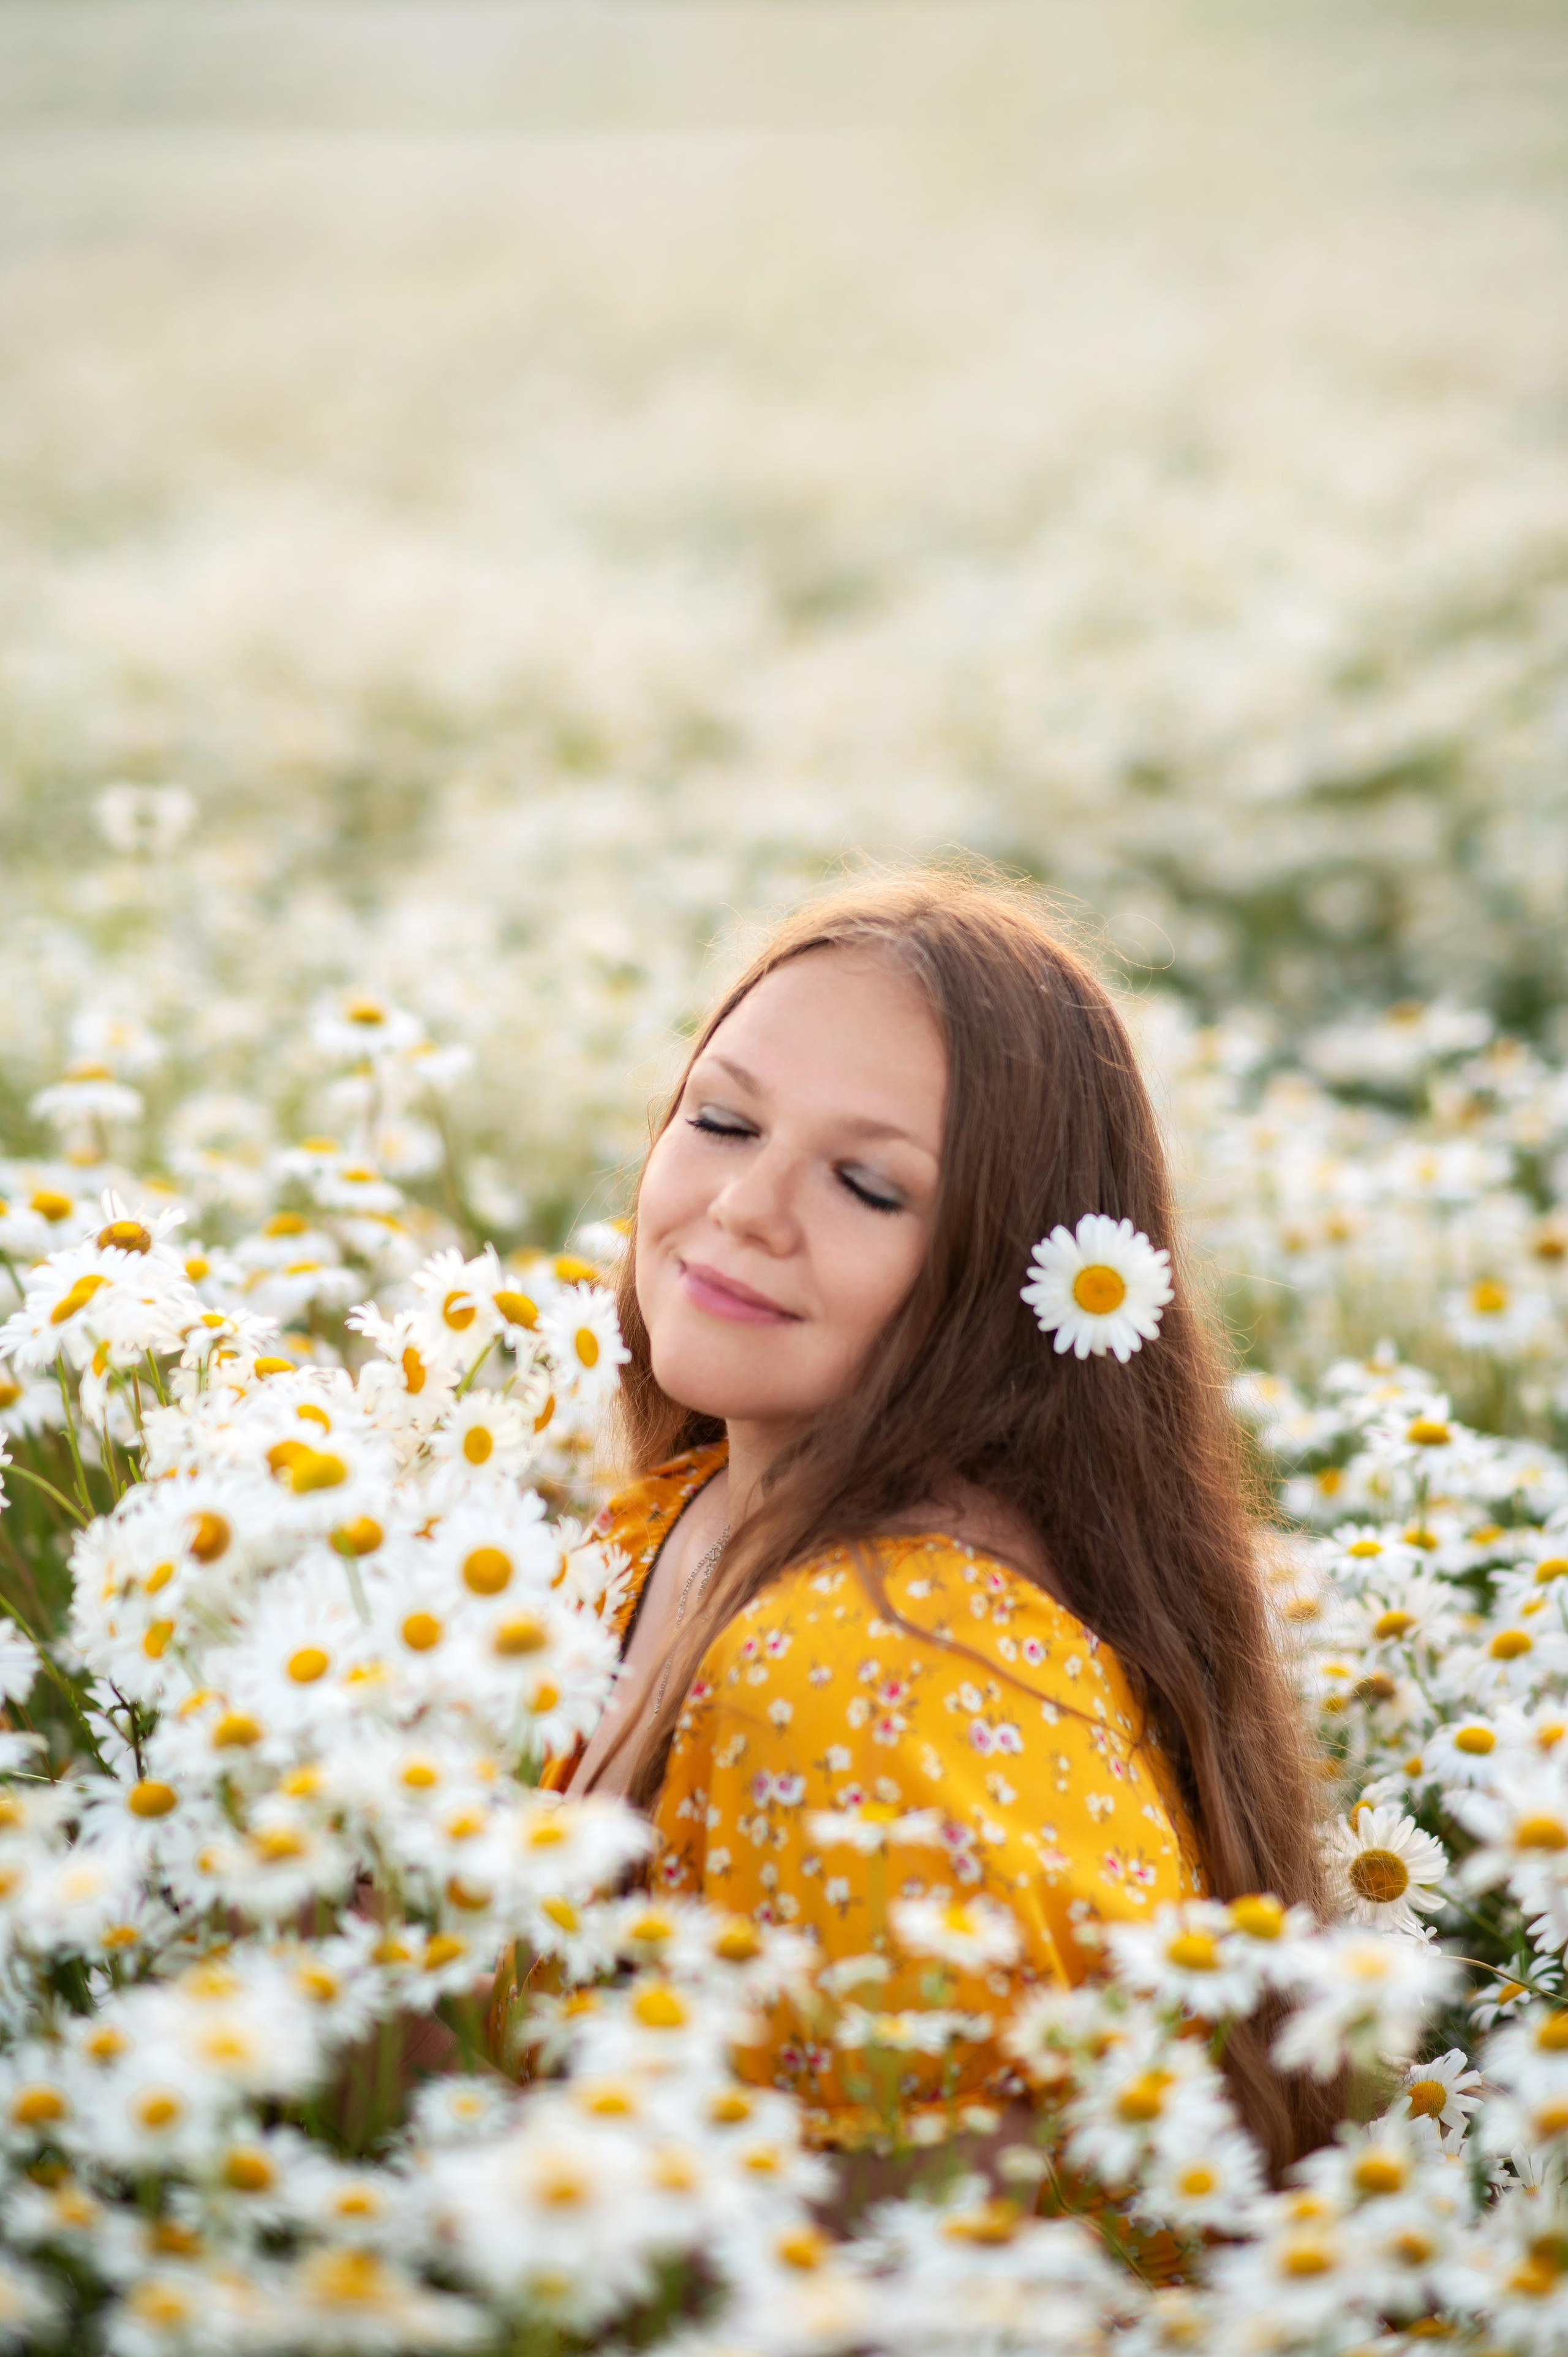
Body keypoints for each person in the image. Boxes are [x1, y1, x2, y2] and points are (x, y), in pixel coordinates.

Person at [548, 870, 1332, 2174]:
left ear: (1012, 1277)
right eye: (723, 1119)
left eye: (866, 1185)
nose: (744, 1208)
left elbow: (930, 2257)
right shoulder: (677, 1517)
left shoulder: (878, 1659)